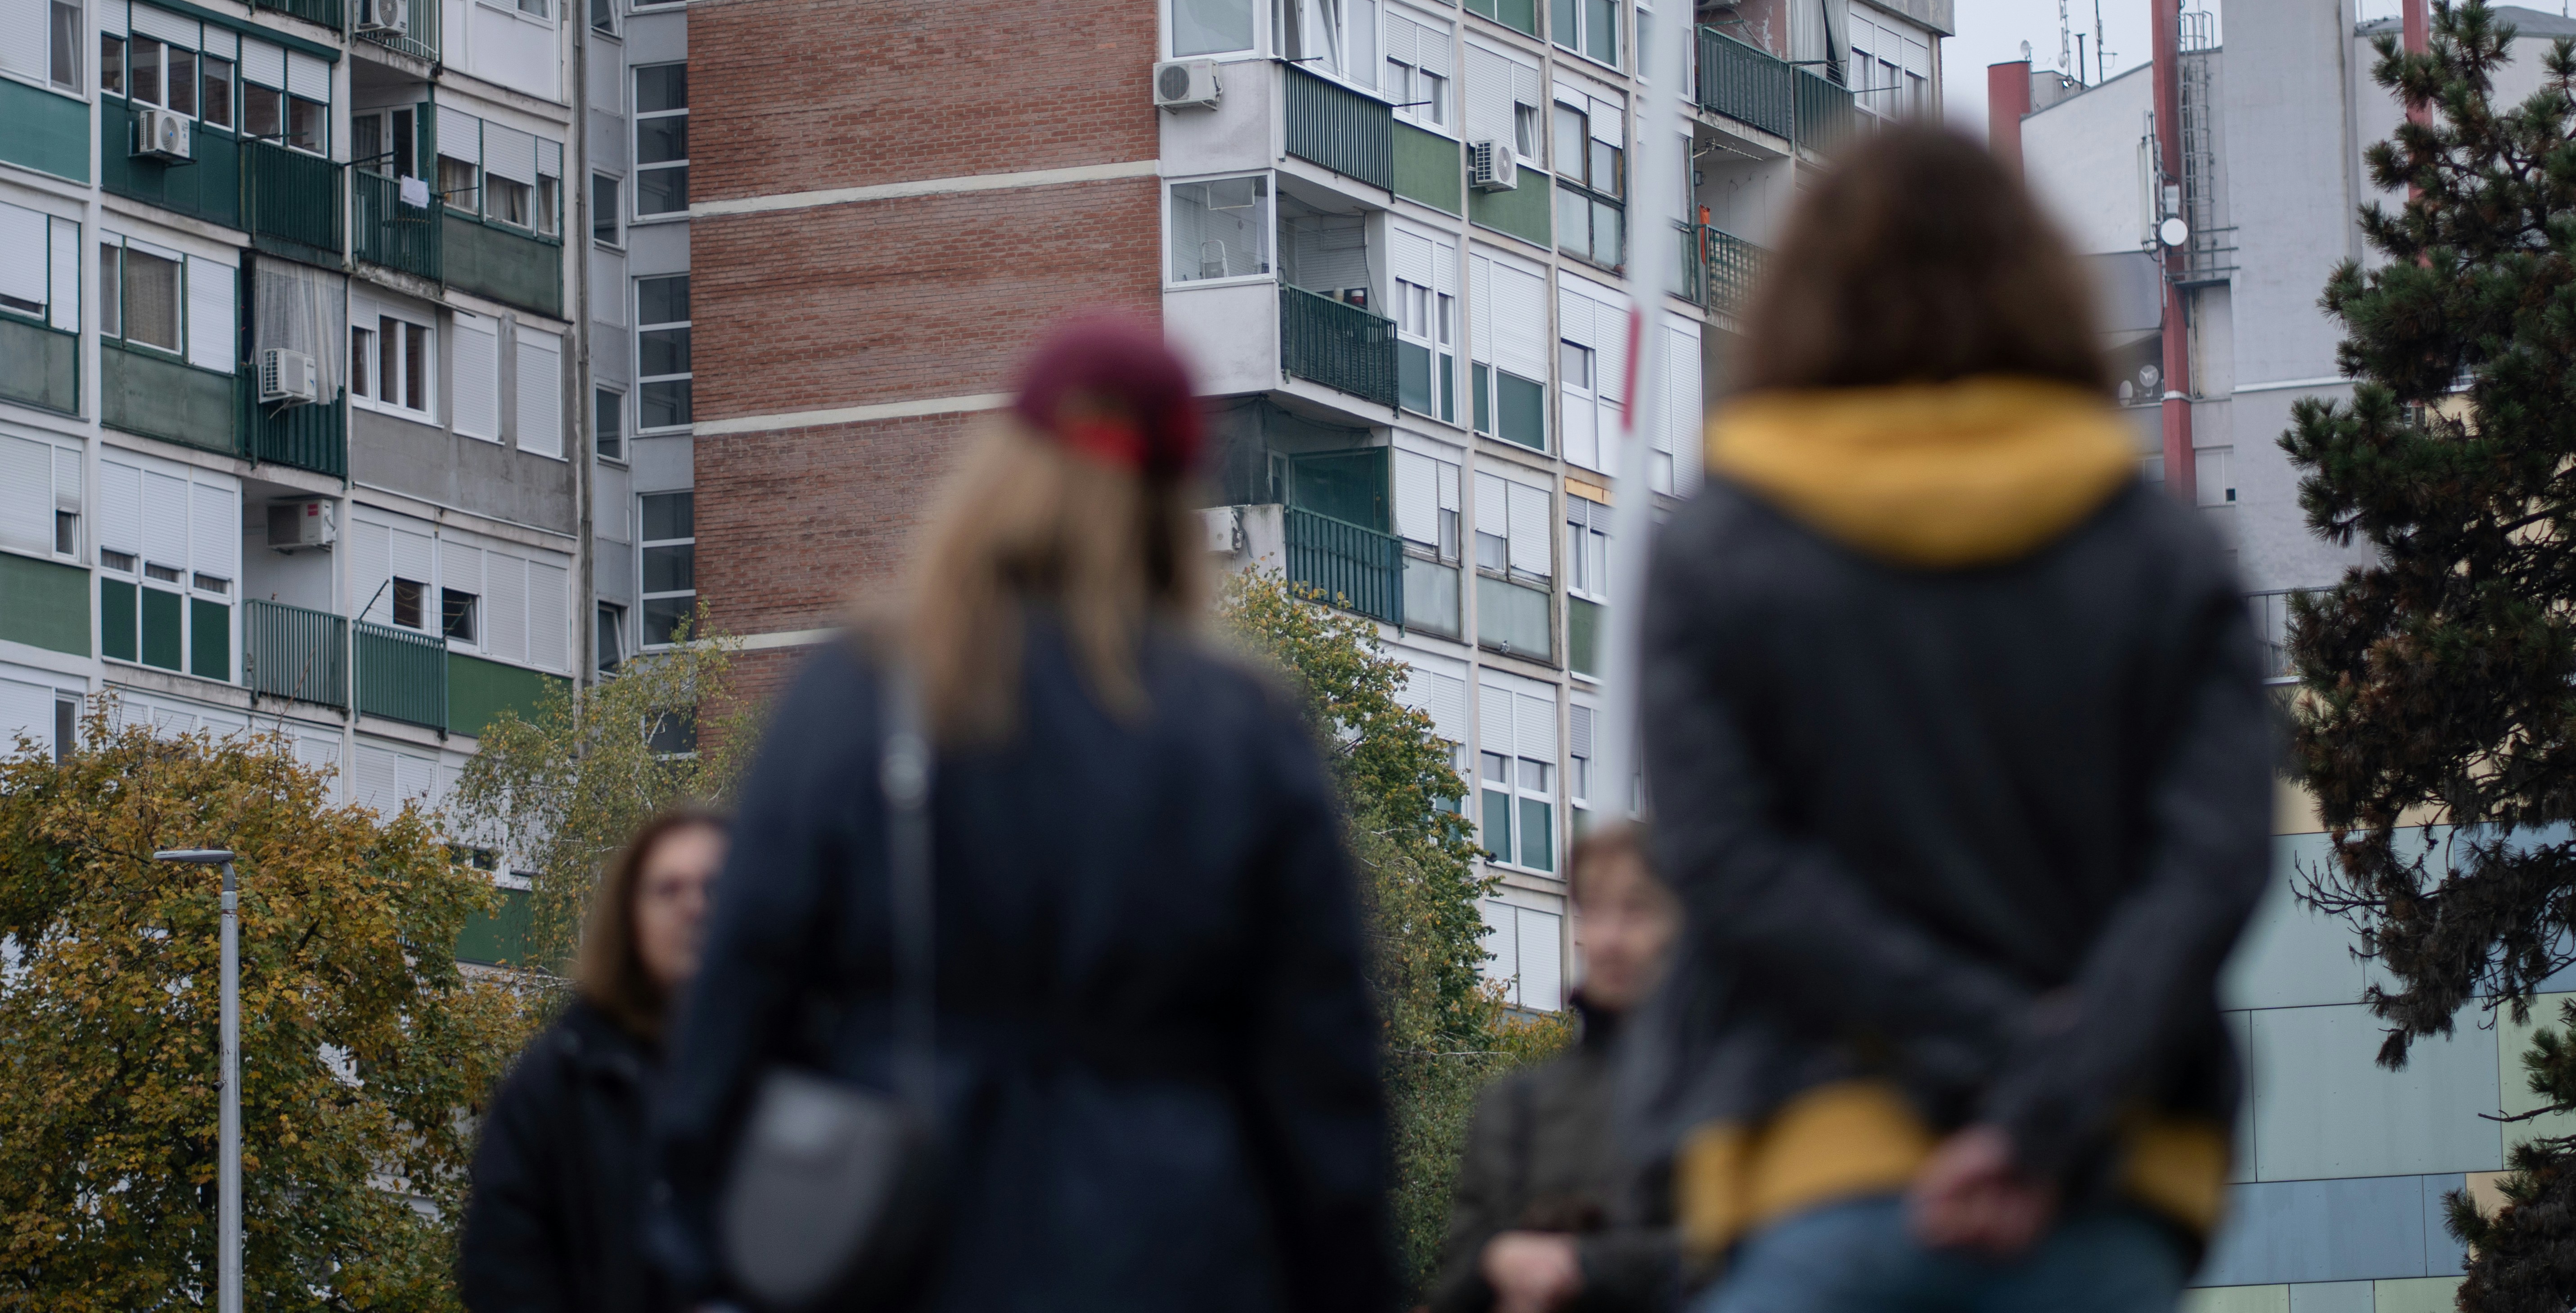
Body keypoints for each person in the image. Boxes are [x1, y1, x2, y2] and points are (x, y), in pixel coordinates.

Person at [1630, 126, 2273, 1313]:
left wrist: (1989, 1047)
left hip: (1813, 1168)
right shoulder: (2164, 557)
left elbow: (1729, 865)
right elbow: (2213, 867)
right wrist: (2048, 1099)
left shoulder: (1718, 551)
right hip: (2101, 1186)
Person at [650, 317, 1393, 1313]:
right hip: (1180, 1241)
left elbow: (732, 1007)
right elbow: (1324, 1075)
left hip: (902, 1234)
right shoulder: (1242, 730)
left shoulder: (855, 695)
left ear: (998, 468)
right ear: (1172, 502)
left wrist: (693, 1260)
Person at [459, 808, 731, 1313]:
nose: (694, 906)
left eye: (714, 887)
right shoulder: (557, 1083)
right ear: (628, 915)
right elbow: (504, 1267)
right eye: (668, 889)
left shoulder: (801, 1062)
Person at [1432, 824, 1683, 1313]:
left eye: (1636, 909)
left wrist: (1583, 1265)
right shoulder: (1516, 1101)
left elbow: (1750, 1254)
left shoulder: (1726, 1088)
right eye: (1594, 909)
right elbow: (1453, 1279)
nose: (1608, 939)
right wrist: (1496, 1261)